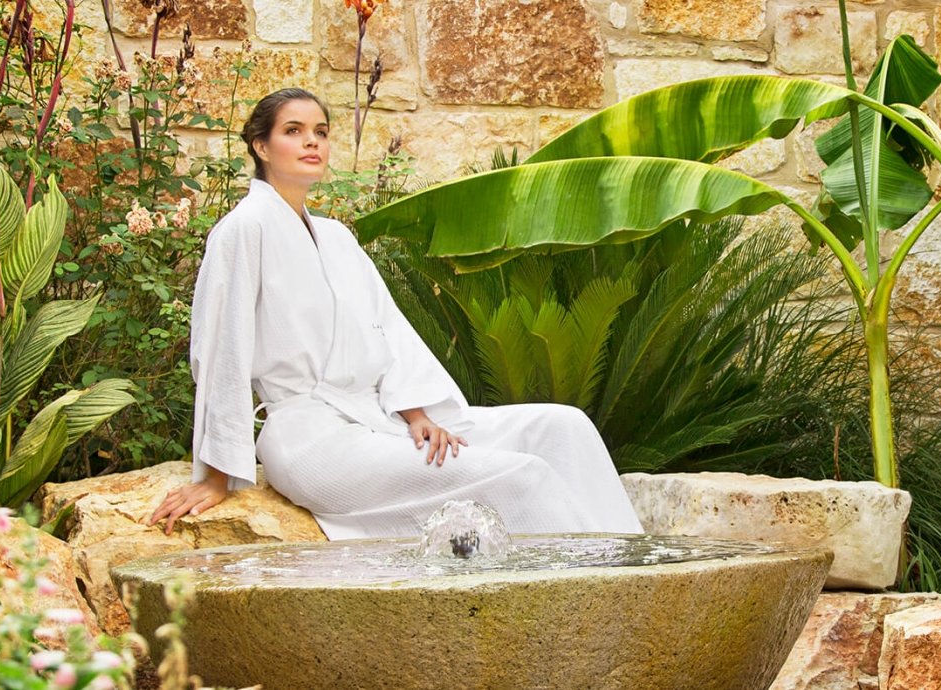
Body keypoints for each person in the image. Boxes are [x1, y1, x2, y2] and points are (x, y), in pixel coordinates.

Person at [143, 88, 642, 539]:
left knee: (563, 426)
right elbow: (221, 349)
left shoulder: (337, 239)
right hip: (310, 439)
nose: (311, 142)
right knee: (520, 474)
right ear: (260, 145)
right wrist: (214, 474)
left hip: (378, 417)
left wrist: (417, 413)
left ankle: (629, 567)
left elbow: (389, 330)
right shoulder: (242, 230)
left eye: (320, 132)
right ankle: (585, 591)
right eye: (293, 131)